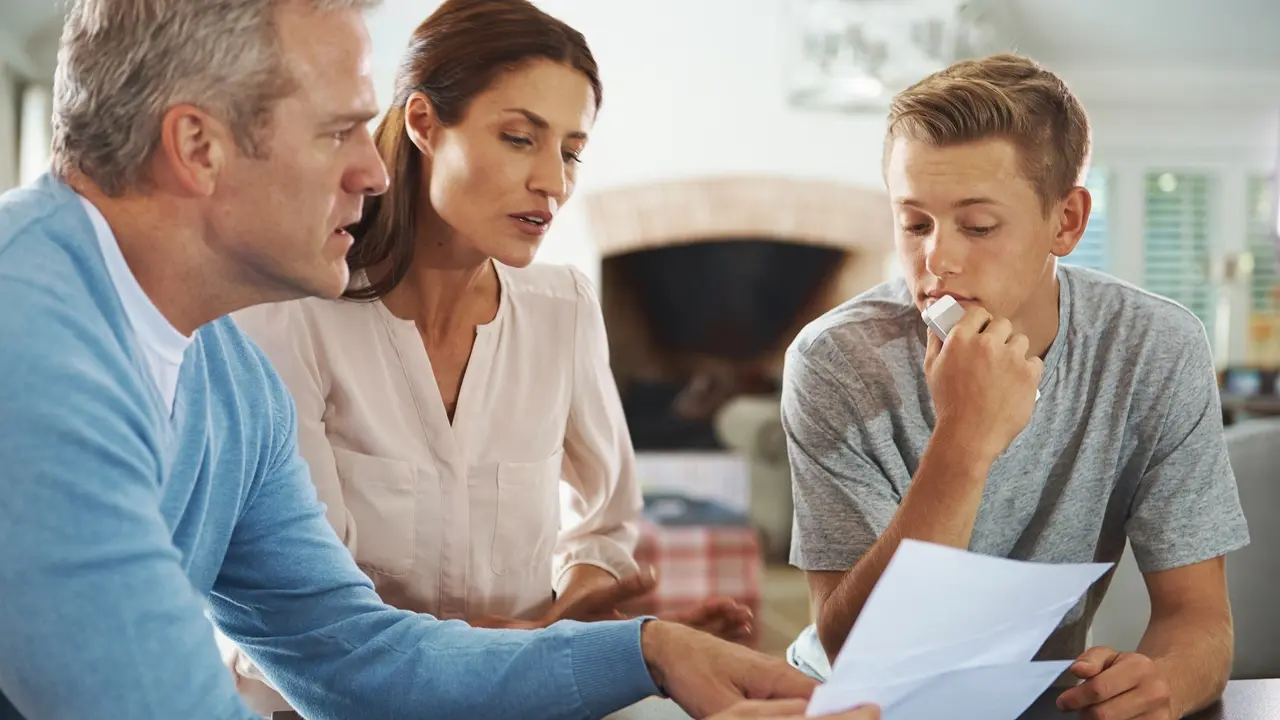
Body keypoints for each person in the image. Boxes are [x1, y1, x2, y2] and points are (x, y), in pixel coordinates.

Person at [0, 1, 874, 719]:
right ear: (199, 147)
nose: (373, 172)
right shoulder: (29, 342)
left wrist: (649, 648)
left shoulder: (227, 372)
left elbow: (352, 652)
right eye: (340, 129)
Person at [225, 1, 749, 710]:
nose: (554, 184)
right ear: (423, 125)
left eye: (569, 152)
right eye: (518, 138)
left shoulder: (561, 309)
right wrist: (549, 650)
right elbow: (309, 622)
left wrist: (575, 627)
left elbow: (603, 526)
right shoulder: (290, 315)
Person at [783, 53, 1248, 720]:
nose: (936, 260)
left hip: (1039, 704)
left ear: (1066, 222)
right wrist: (965, 439)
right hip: (854, 705)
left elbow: (1199, 618)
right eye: (914, 223)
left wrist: (1164, 682)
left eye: (977, 226)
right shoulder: (836, 361)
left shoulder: (1154, 348)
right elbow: (861, 655)